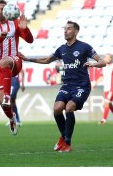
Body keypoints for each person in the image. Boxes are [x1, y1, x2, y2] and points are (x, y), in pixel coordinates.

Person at [20, 20, 105, 152]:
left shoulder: (85, 47)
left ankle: (67, 143)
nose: (65, 31)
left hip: (81, 86)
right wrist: (28, 59)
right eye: (65, 29)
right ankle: (64, 137)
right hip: (67, 85)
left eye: (69, 29)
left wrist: (93, 64)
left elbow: (102, 62)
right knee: (57, 108)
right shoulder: (62, 49)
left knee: (69, 107)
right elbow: (47, 60)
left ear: (76, 31)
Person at [0, 0, 34, 135]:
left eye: (2, 9)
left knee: (5, 61)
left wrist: (25, 29)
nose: (0, 12)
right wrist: (0, 37)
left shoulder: (15, 23)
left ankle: (8, 95)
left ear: (7, 10)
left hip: (15, 60)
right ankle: (12, 118)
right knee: (3, 104)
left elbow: (30, 40)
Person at [92, 53, 113, 125]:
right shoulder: (104, 67)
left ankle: (103, 120)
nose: (106, 59)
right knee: (109, 104)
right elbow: (102, 77)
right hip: (106, 88)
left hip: (111, 88)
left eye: (108, 57)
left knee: (106, 103)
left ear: (111, 59)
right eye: (105, 57)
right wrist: (95, 83)